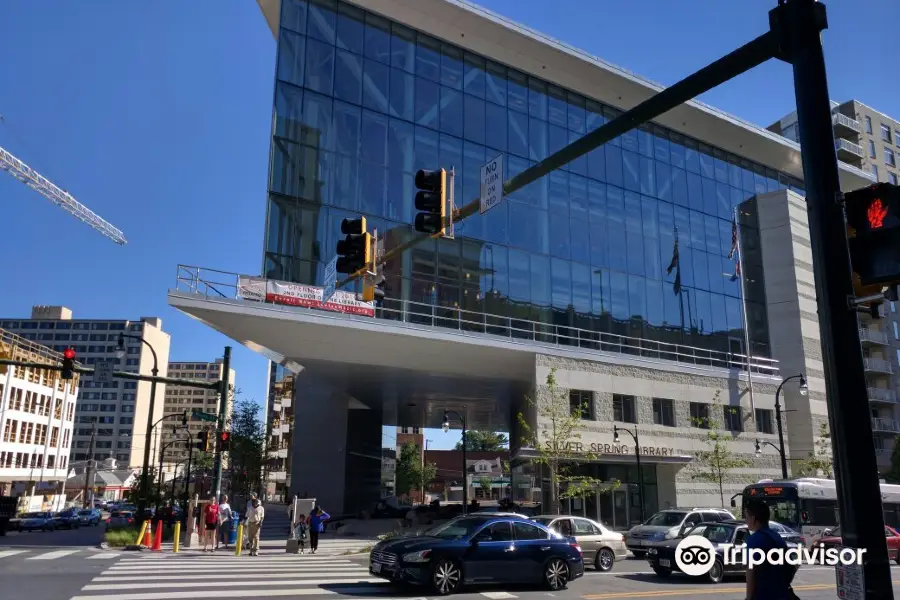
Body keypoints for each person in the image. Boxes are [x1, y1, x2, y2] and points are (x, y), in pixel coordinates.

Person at [744, 499, 795, 600]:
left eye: (747, 517)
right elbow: (792, 567)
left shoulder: (754, 540)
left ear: (753, 519)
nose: (746, 520)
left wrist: (748, 598)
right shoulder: (777, 538)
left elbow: (751, 572)